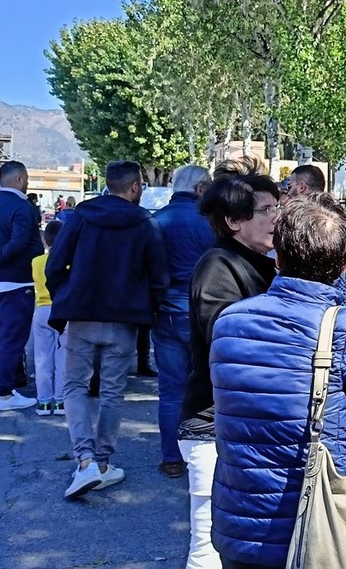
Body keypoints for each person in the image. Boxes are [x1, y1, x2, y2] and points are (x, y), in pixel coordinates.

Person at [210, 192, 346, 569]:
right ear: (345, 261)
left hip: (240, 526)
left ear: (278, 254)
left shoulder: (230, 322)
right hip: (323, 527)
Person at [46, 160, 169, 499]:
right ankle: (101, 463)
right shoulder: (145, 222)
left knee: (74, 386)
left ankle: (84, 460)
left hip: (81, 314)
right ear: (135, 187)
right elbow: (159, 276)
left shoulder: (80, 217)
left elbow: (55, 264)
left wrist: (66, 297)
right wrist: (148, 308)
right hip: (124, 319)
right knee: (113, 392)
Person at [179, 160, 279, 569]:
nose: (276, 218)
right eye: (266, 210)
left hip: (247, 424)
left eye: (277, 207)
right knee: (208, 548)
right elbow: (232, 346)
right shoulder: (218, 266)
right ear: (234, 221)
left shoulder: (266, 262)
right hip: (212, 426)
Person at [152, 164, 214, 479]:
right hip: (202, 312)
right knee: (207, 385)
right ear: (201, 189)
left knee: (171, 389)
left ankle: (172, 457)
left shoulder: (155, 222)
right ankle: (204, 453)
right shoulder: (211, 223)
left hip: (165, 312)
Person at [0, 161, 44, 411]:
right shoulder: (22, 206)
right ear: (20, 179)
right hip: (16, 282)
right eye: (27, 179)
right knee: (12, 338)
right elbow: (20, 241)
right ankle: (5, 394)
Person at [280, 164, 346, 304]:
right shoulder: (340, 218)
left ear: (301, 187)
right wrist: (342, 306)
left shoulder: (289, 220)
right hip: (331, 301)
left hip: (290, 300)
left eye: (290, 186)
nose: (288, 193)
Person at [32, 219, 65, 416]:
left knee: (42, 359)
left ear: (45, 240)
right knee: (63, 359)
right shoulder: (69, 262)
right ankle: (60, 401)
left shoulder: (36, 262)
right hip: (62, 311)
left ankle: (43, 402)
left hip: (42, 309)